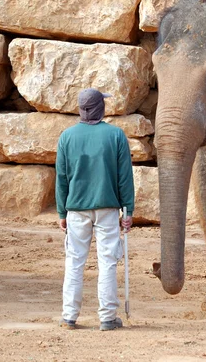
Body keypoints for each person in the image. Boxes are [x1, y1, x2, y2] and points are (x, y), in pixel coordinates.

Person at [55, 88, 134, 331]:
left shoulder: (66, 137)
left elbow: (62, 178)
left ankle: (69, 316)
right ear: (101, 107)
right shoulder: (116, 136)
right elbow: (124, 177)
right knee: (108, 262)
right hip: (108, 209)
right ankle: (108, 317)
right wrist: (128, 210)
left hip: (76, 209)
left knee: (75, 262)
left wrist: (61, 212)